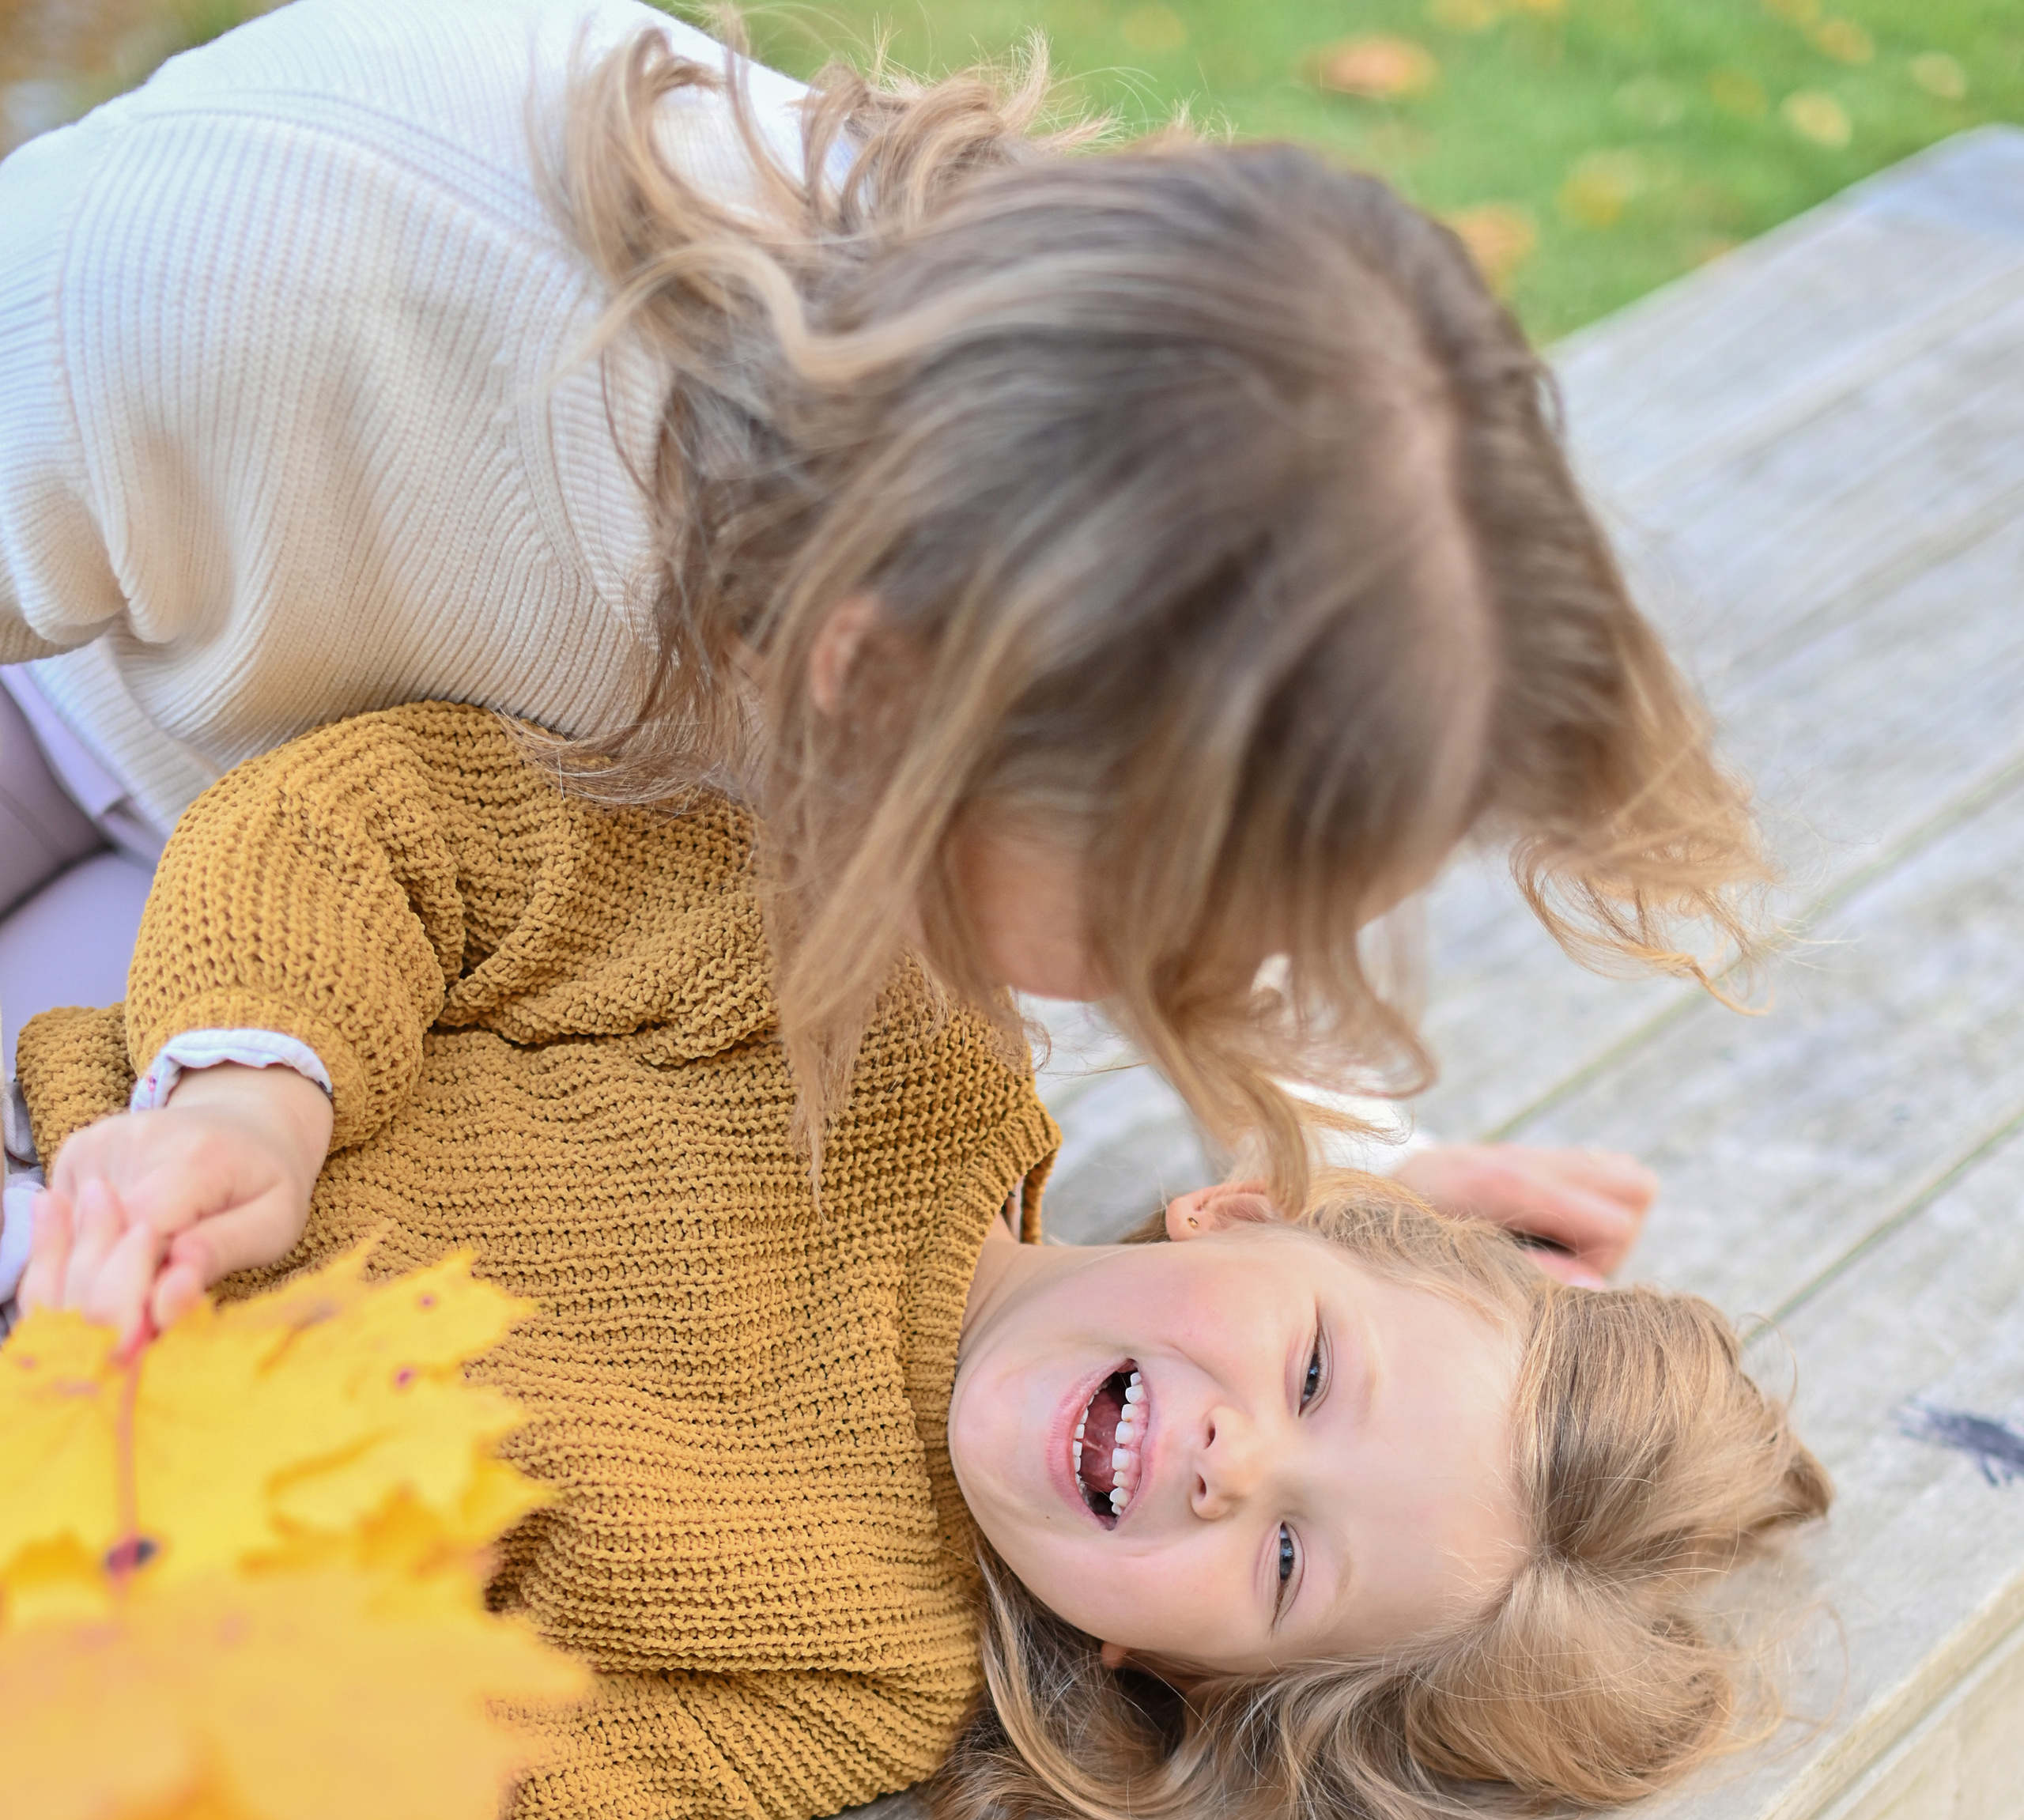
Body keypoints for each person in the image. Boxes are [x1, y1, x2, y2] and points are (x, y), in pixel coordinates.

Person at [2, 700, 1826, 1820]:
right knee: (131, 892)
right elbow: (399, 820)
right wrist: (255, 1105)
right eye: (1313, 1374)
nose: (1229, 1455)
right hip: (72, 1183)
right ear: (1238, 1206)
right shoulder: (895, 1036)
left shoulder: (868, 1675)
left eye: (1284, 1555)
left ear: (1163, 1674)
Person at [0, 0, 1744, 1265]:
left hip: (344, 923)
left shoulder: (1027, 547)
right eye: (1179, 942)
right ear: (875, 686)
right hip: (68, 699)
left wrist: (1344, 1170)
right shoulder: (241, 267)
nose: (1218, 989)